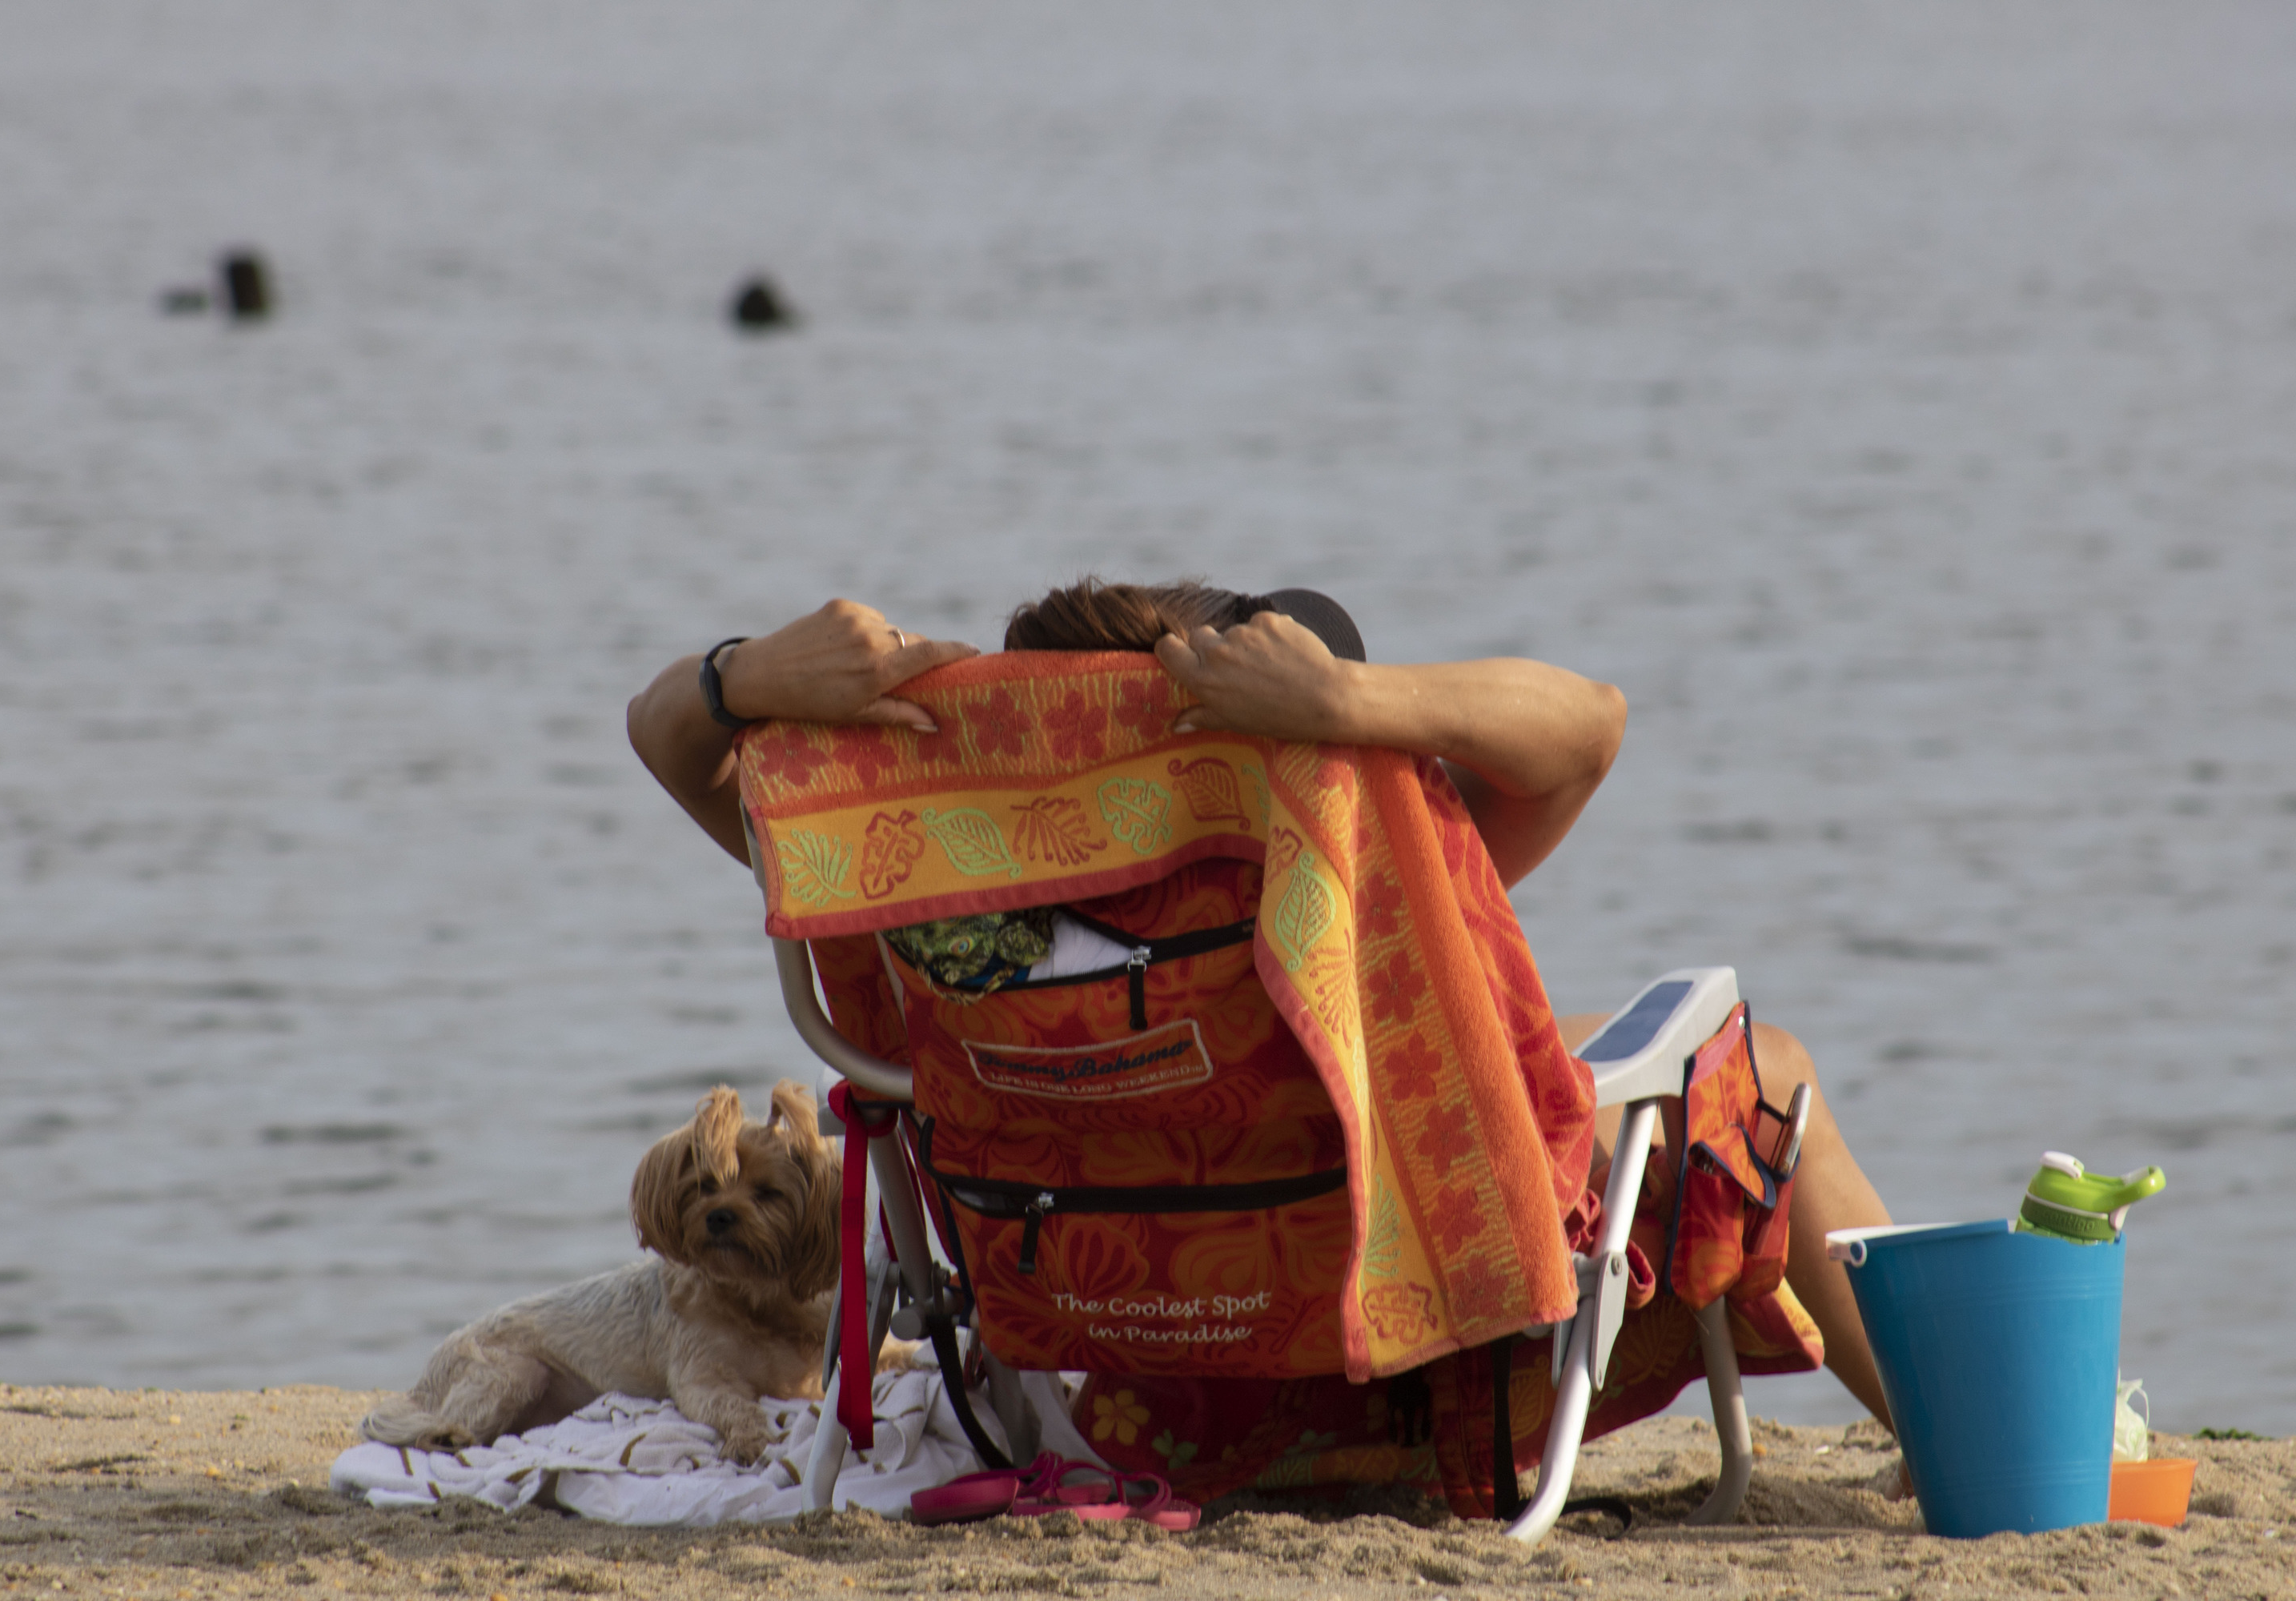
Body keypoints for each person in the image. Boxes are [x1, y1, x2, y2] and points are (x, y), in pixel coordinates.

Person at [627, 580, 1901, 1435]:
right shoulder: (1345, 868)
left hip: (1142, 1403)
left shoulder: (931, 898)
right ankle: (1957, 1448)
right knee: (1760, 1067)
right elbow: (1590, 724)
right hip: (1439, 1378)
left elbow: (663, 736)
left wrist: (744, 677)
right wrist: (1350, 709)